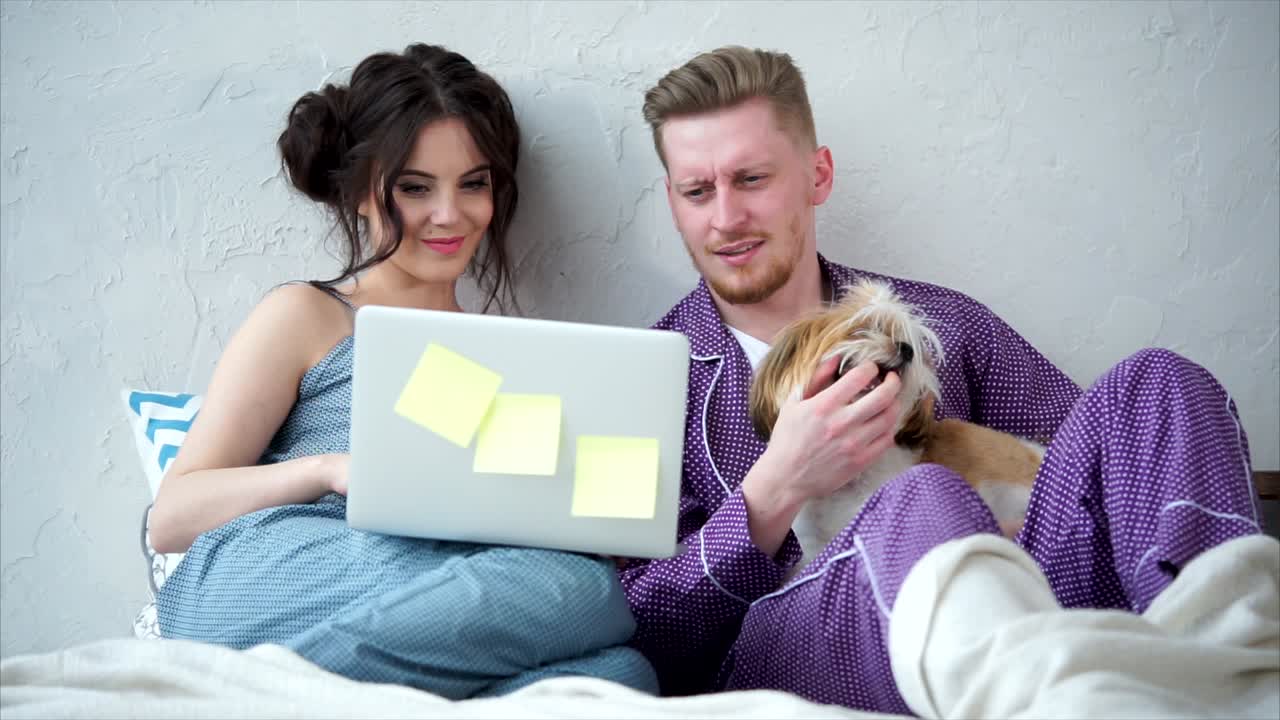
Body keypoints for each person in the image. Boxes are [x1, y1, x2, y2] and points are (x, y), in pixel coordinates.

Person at [619, 45, 1264, 711]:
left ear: (818, 176)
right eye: (697, 191)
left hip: (1035, 617)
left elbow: (1100, 474)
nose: (724, 218)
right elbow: (644, 630)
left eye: (751, 179)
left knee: (1157, 383)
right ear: (672, 201)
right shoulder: (646, 383)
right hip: (801, 645)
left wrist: (1003, 542)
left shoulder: (944, 327)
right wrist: (775, 487)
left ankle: (1234, 671)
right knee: (921, 498)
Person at [147, 43, 656, 698]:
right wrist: (327, 470)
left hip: (432, 583)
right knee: (585, 594)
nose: (450, 215)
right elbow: (172, 515)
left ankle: (283, 695)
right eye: (416, 188)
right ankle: (240, 699)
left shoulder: (518, 356)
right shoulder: (308, 314)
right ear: (360, 190)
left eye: (473, 183)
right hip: (281, 564)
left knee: (620, 674)